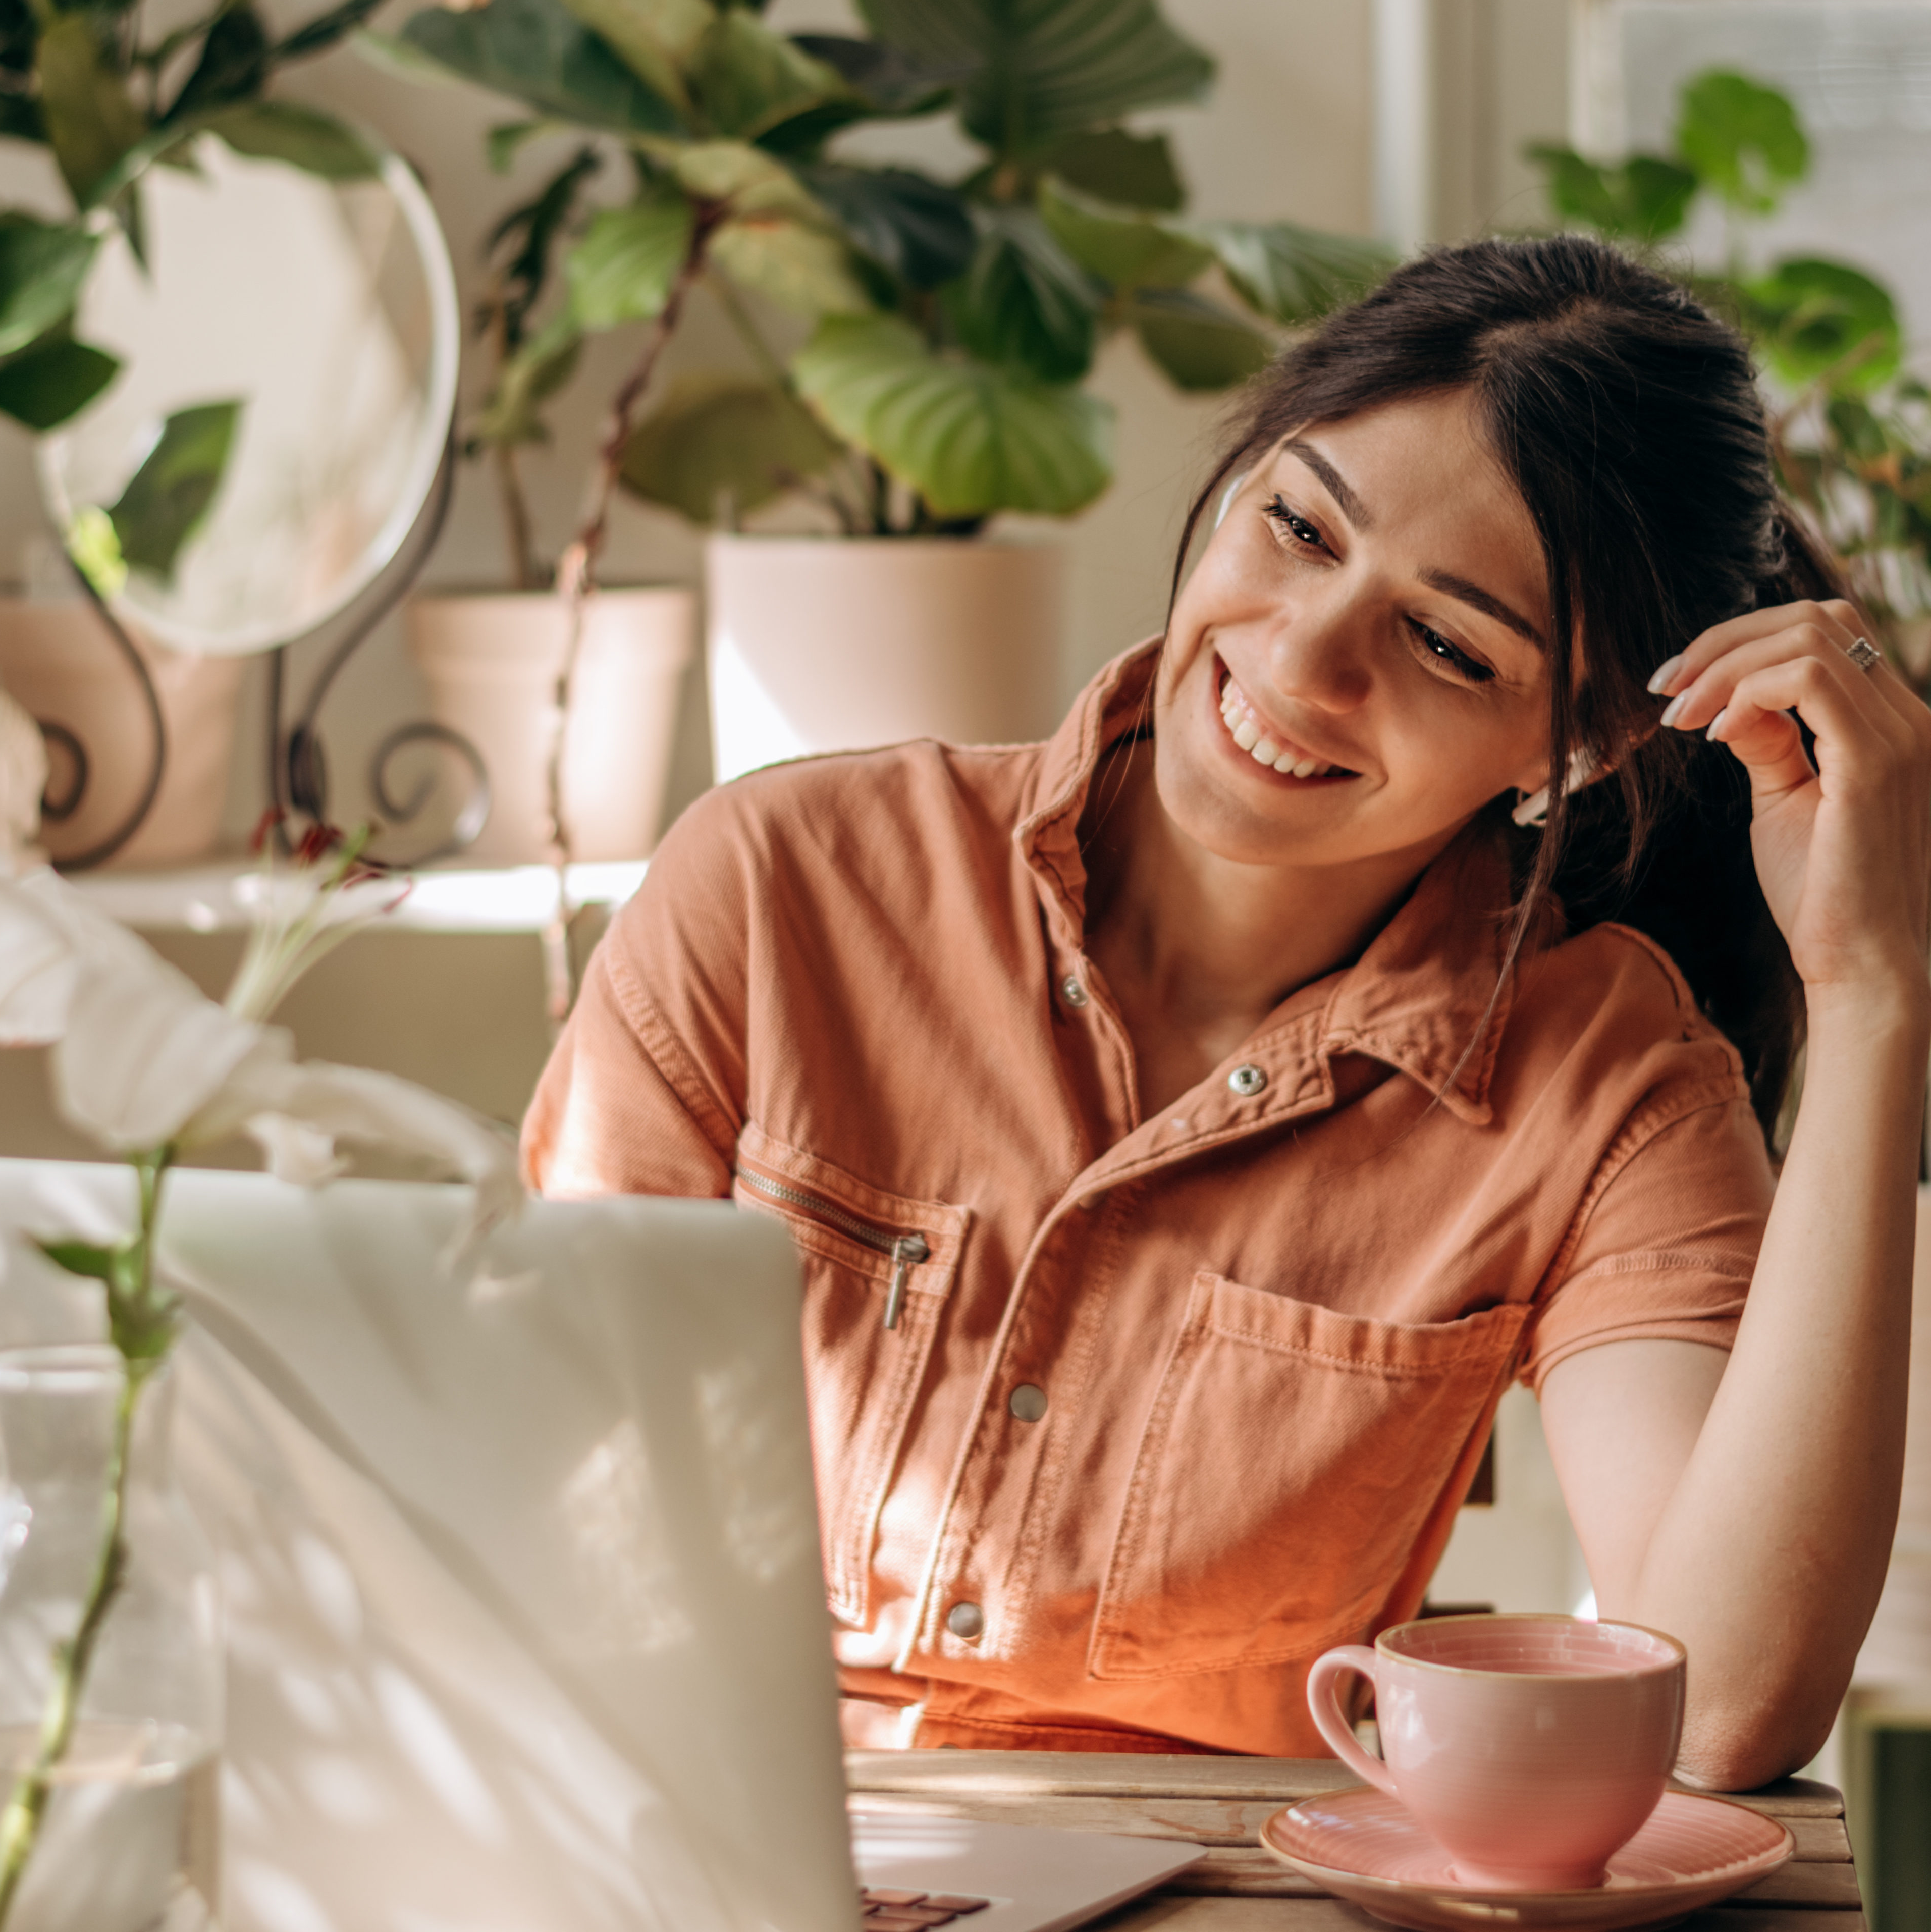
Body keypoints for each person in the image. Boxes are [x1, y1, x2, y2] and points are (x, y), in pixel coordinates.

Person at [524, 235, 1931, 1782]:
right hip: (709, 1839)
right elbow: (539, 1493)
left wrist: (1874, 991)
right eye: (1300, 526)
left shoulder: (1609, 1088)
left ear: (1583, 749)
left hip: (1216, 1913)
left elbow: (1720, 1710)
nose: (1302, 658)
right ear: (1248, 462)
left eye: (1446, 645)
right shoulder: (779, 882)